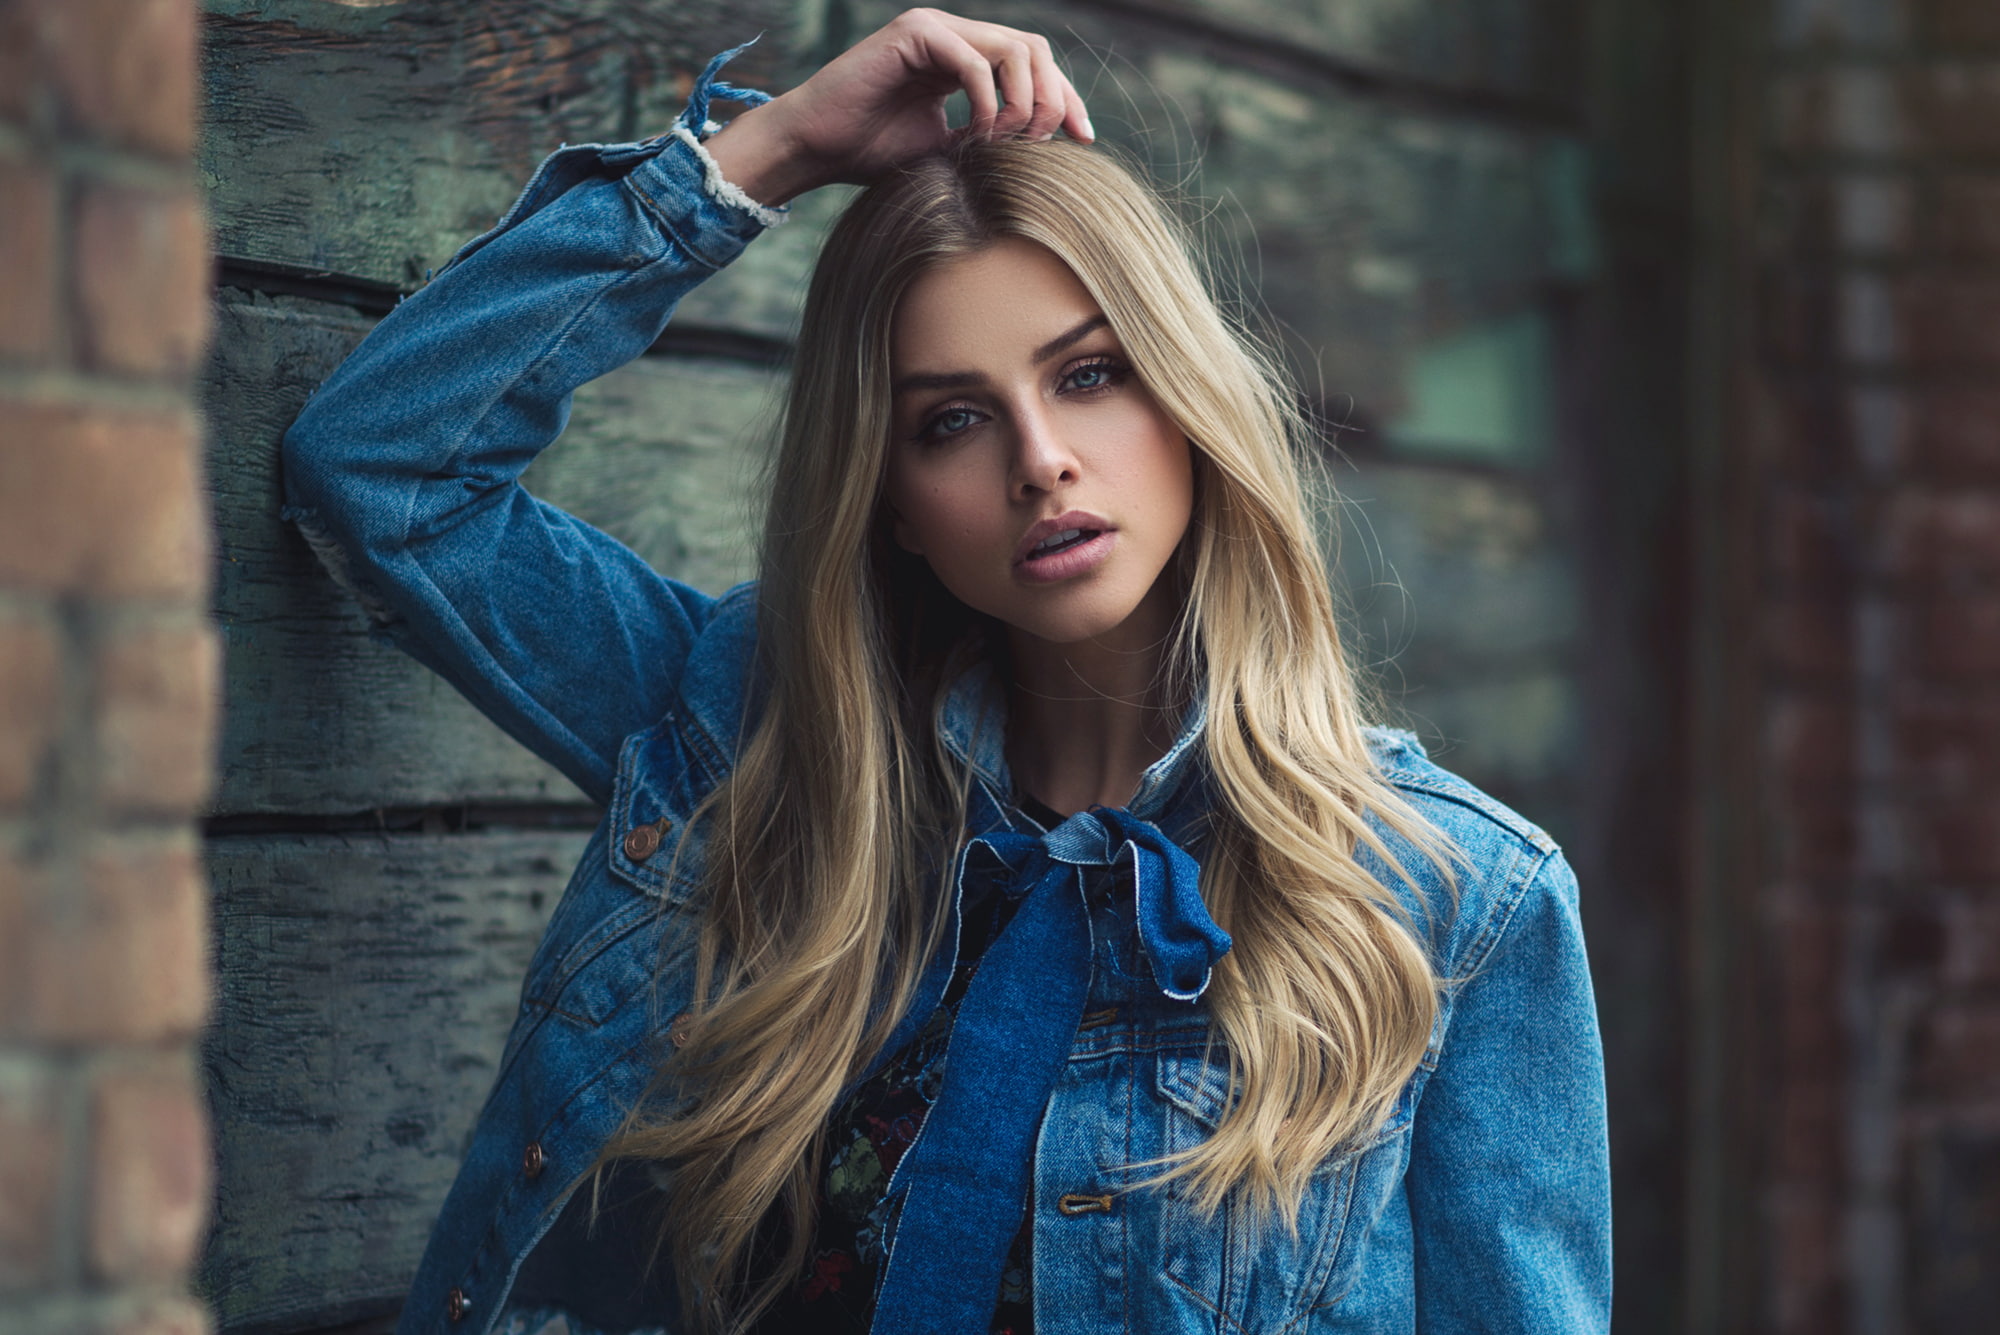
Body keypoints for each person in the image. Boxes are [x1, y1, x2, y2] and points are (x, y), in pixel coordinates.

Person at [279, 9, 1610, 1335]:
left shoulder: (1456, 906)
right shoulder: (749, 740)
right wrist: (774, 149)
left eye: (1091, 376)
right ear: (895, 502)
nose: (1040, 461)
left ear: (1190, 408)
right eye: (954, 420)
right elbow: (390, 475)